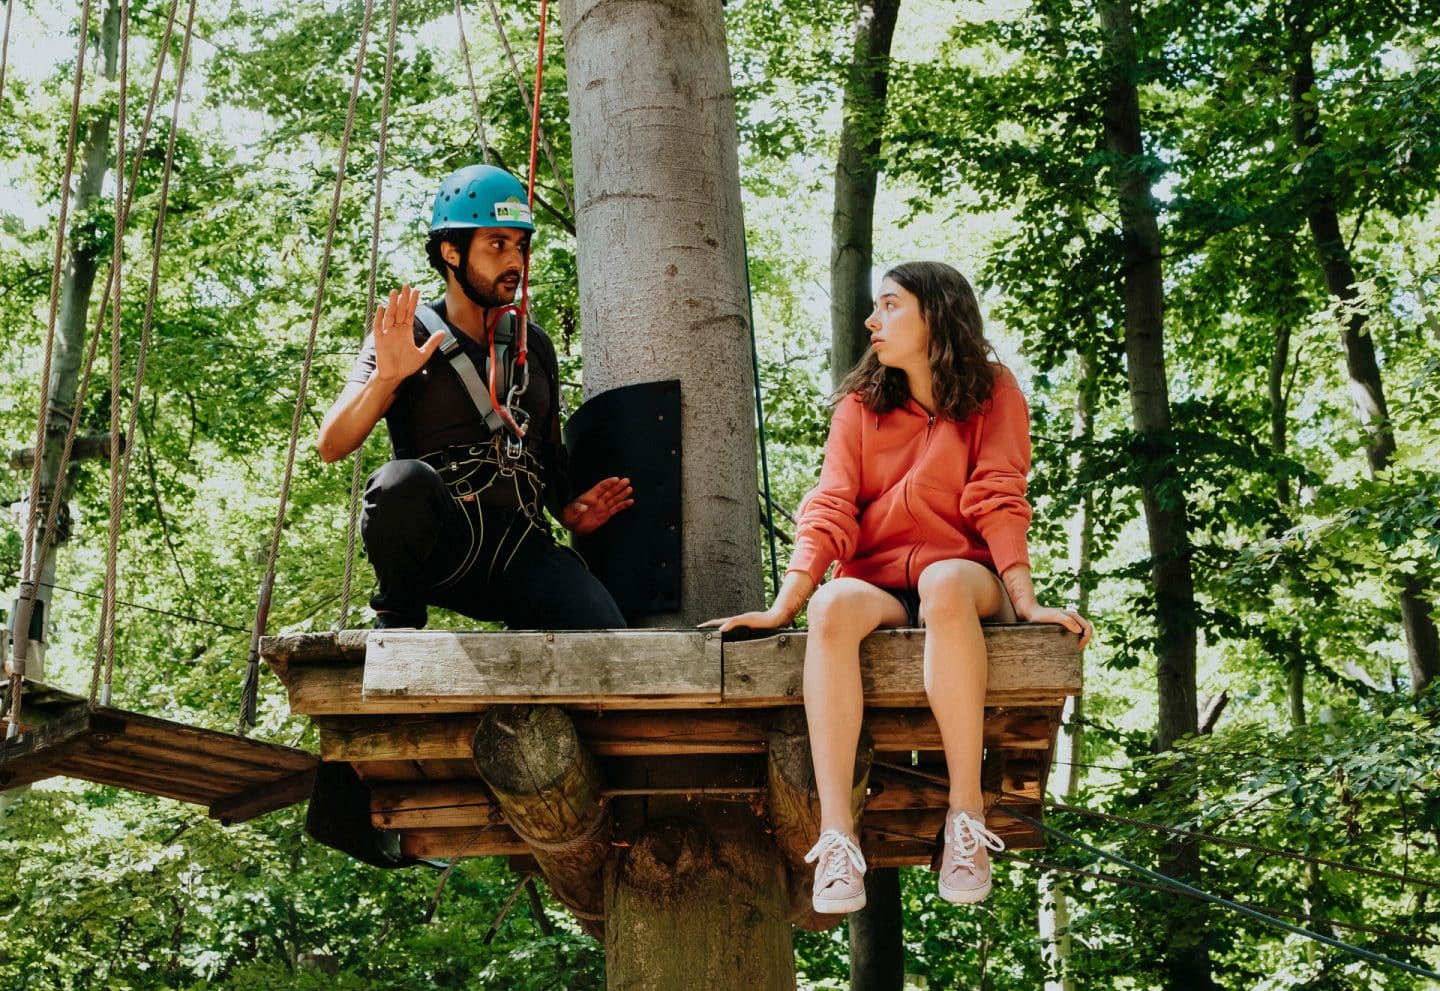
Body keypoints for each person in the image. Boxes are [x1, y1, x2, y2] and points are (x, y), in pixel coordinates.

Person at [705, 261, 1091, 913]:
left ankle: (965, 817)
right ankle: (837, 838)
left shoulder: (994, 391)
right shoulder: (861, 406)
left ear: (935, 315)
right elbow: (831, 504)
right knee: (831, 605)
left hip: (967, 578)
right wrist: (786, 604)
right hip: (877, 581)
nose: (871, 320)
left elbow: (999, 495)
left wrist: (1026, 602)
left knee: (942, 581)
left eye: (889, 306)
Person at [317, 164, 631, 630]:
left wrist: (568, 508)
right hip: (446, 542)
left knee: (607, 637)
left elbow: (547, 452)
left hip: (521, 544)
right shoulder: (409, 334)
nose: (515, 261)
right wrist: (386, 380)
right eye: (497, 244)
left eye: (521, 246)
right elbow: (331, 444)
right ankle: (397, 622)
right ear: (451, 251)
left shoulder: (533, 345)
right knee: (399, 482)